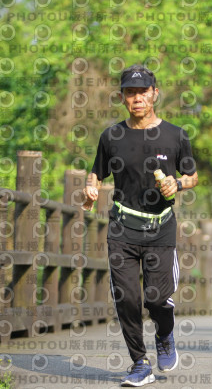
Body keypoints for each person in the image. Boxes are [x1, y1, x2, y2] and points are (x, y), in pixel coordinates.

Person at [82, 64, 198, 387]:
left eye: (142, 92)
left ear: (154, 94)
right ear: (122, 97)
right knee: (125, 296)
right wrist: (90, 187)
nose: (136, 98)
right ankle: (139, 362)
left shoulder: (175, 135)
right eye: (130, 93)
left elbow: (193, 175)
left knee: (157, 298)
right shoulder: (112, 136)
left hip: (160, 228)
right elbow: (97, 172)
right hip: (122, 227)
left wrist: (178, 184)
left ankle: (165, 333)